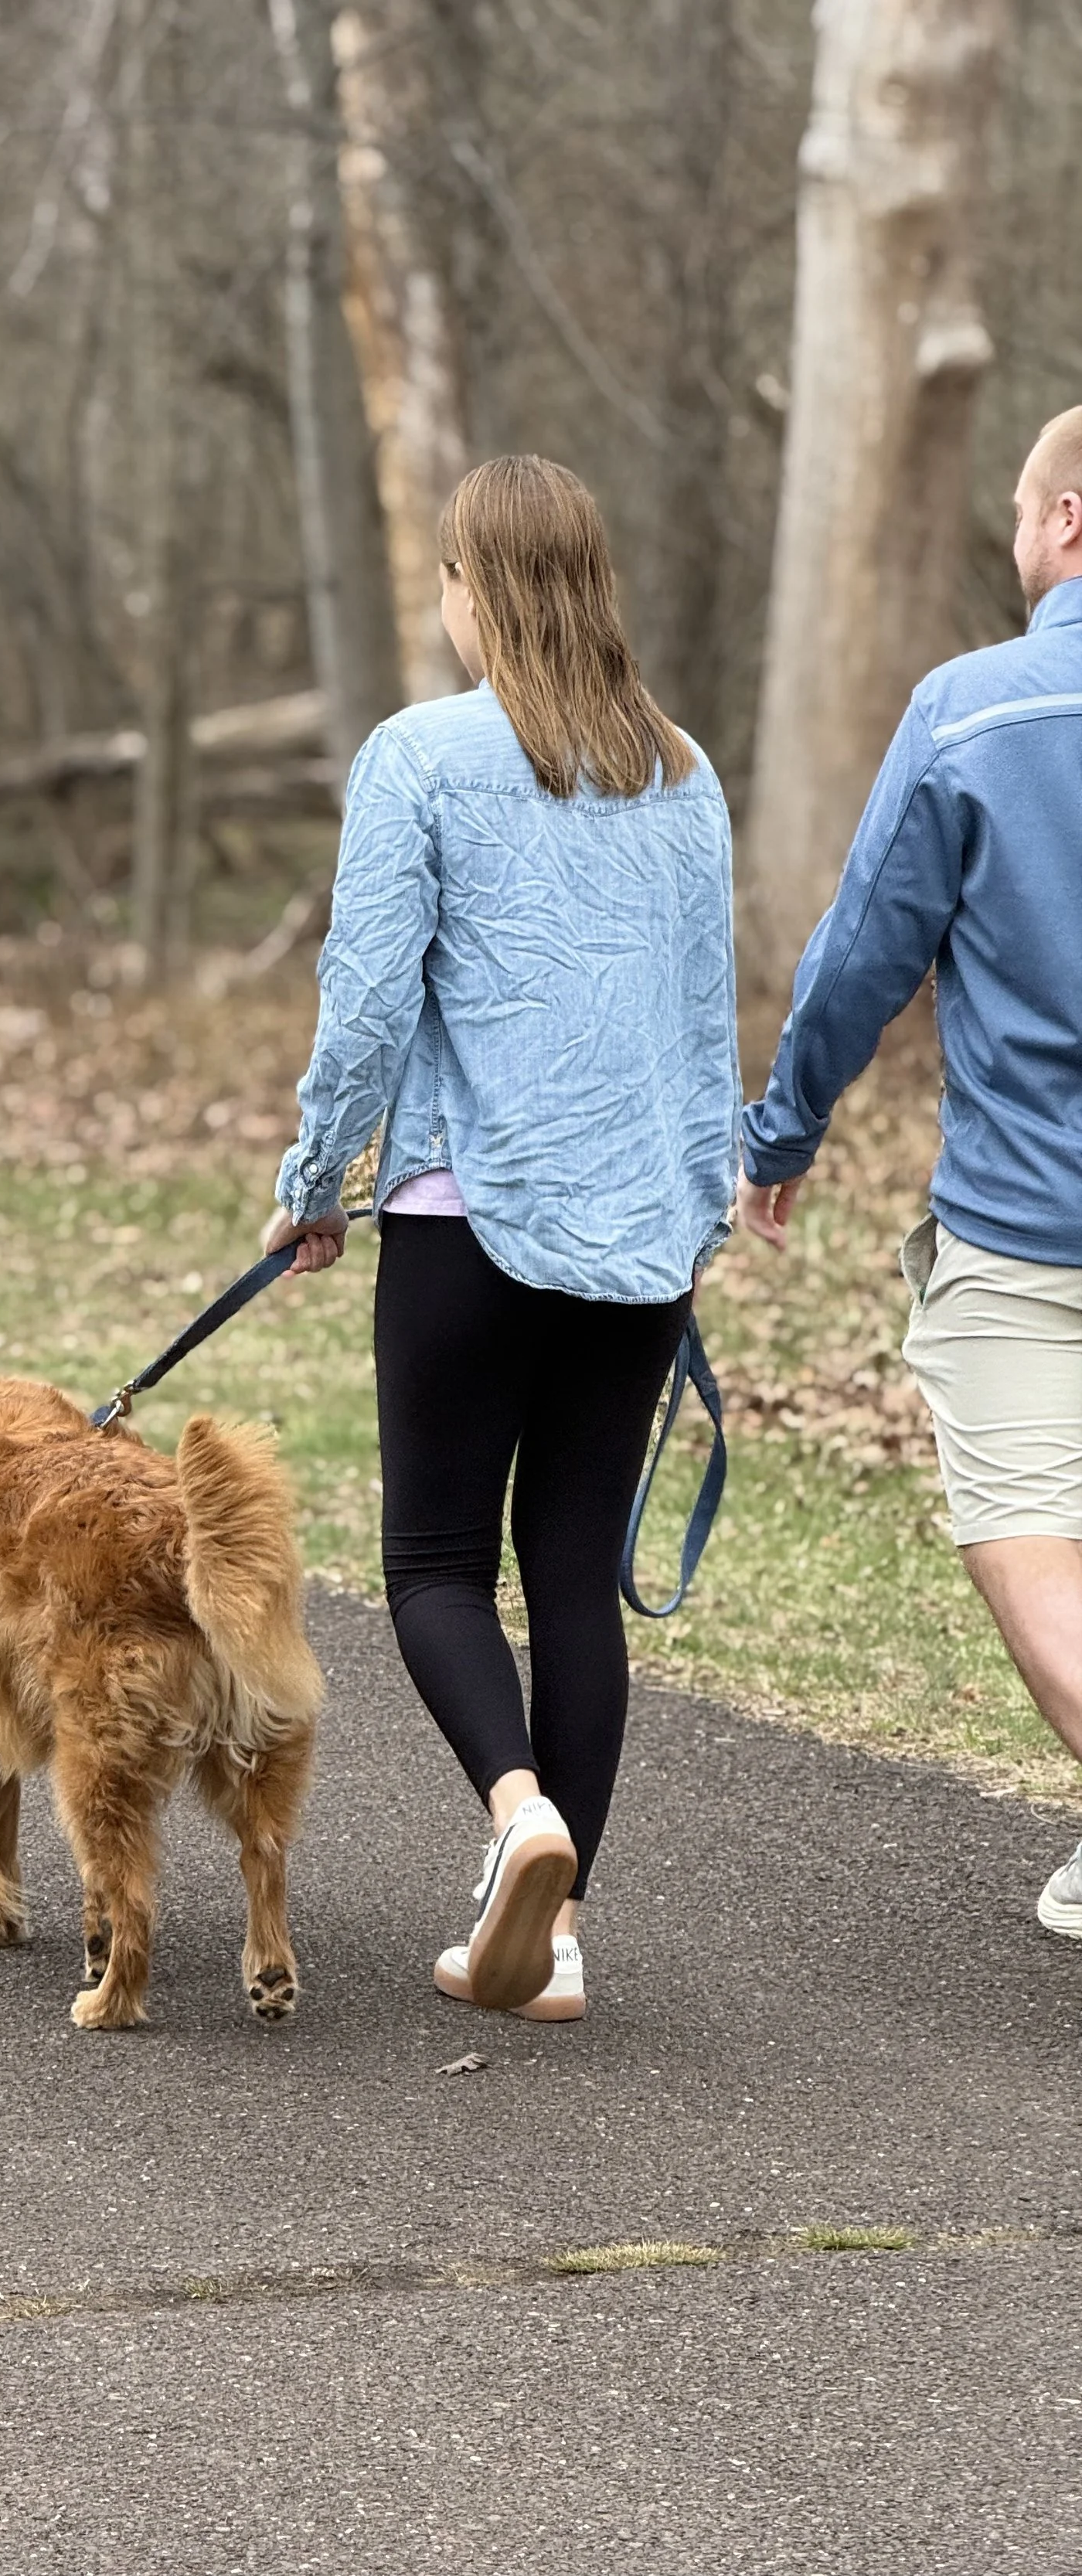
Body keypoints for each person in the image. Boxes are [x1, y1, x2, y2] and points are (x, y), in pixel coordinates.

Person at [265, 454, 739, 2022]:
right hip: (634, 1249)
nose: (442, 605)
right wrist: (697, 1209)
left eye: (447, 581)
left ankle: (512, 1808)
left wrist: (314, 1177)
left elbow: (365, 1000)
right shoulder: (681, 771)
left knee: (431, 1567)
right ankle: (556, 1936)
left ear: (476, 590)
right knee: (572, 1581)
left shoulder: (420, 758)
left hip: (469, 1226)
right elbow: (701, 1025)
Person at [740, 407, 1082, 1945]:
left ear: (1062, 522)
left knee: (1021, 1519)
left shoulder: (968, 712)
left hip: (1023, 1218)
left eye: (1015, 515)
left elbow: (855, 961)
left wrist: (780, 1132)